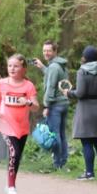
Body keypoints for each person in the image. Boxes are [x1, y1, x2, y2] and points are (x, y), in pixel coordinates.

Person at [0, 54, 40, 194]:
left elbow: (36, 107)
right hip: (6, 124)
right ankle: (11, 187)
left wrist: (28, 102)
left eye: (16, 66)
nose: (12, 69)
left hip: (22, 127)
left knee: (17, 156)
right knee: (14, 152)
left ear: (23, 68)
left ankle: (10, 184)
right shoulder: (2, 83)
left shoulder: (28, 86)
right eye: (10, 66)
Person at [66, 45, 97, 180]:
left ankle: (89, 173)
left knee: (86, 143)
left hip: (85, 110)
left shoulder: (82, 72)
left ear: (85, 58)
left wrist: (68, 93)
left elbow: (80, 93)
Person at [33, 40, 70, 170]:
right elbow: (54, 77)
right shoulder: (59, 65)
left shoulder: (54, 67)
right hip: (64, 103)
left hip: (56, 105)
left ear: (55, 51)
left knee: (55, 134)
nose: (46, 53)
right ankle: (63, 159)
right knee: (61, 133)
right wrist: (43, 67)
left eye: (49, 50)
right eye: (44, 51)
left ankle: (58, 162)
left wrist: (46, 106)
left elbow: (51, 87)